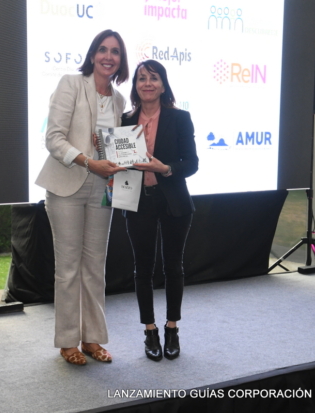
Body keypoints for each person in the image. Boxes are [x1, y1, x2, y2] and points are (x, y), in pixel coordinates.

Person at [35, 30, 129, 365]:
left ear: (121, 60)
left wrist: (112, 154)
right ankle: (67, 341)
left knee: (95, 267)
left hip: (102, 188)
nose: (108, 56)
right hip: (67, 185)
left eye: (115, 52)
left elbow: (116, 147)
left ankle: (92, 338)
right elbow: (54, 138)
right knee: (69, 268)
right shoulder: (70, 84)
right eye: (102, 50)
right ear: (92, 55)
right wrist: (88, 158)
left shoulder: (119, 101)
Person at [121, 60, 198, 361]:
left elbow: (191, 164)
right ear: (135, 86)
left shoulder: (180, 118)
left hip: (174, 202)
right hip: (137, 200)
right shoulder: (125, 121)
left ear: (163, 85)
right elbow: (119, 164)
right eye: (141, 78)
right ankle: (149, 330)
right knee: (142, 269)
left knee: (173, 267)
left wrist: (164, 168)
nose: (147, 83)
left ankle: (172, 328)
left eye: (153, 78)